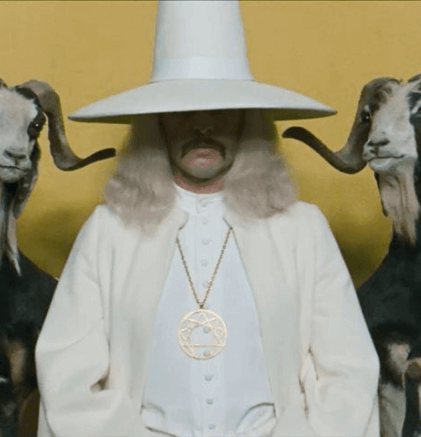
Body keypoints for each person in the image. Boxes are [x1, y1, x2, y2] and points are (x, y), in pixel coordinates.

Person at [35, 1, 380, 436]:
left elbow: (348, 372)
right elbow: (67, 379)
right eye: (184, 113)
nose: (202, 128)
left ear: (247, 121)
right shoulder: (108, 232)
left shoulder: (303, 230)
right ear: (157, 124)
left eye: (221, 111)